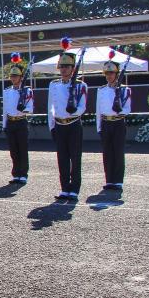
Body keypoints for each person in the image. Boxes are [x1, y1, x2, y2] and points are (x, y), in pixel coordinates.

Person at [48, 51, 87, 200]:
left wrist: (74, 112)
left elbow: (83, 106)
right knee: (62, 159)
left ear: (72, 68)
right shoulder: (54, 84)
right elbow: (50, 107)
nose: (63, 69)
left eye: (67, 66)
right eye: (61, 66)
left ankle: (74, 189)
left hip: (73, 124)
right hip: (59, 125)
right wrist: (51, 126)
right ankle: (65, 188)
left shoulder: (80, 85)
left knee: (75, 159)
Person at [96, 54, 131, 191]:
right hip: (105, 123)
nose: (109, 76)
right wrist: (99, 127)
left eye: (112, 73)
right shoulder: (101, 90)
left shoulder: (124, 90)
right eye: (107, 73)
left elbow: (128, 109)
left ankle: (118, 181)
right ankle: (109, 180)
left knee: (118, 152)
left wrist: (119, 110)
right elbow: (99, 110)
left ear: (117, 74)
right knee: (107, 153)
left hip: (118, 123)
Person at [2, 55, 33, 184]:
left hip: (20, 121)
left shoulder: (26, 90)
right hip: (10, 122)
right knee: (13, 150)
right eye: (12, 76)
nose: (13, 78)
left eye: (16, 76)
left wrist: (22, 108)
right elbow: (5, 110)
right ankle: (16, 173)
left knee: (22, 149)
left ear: (21, 77)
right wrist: (4, 125)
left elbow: (30, 109)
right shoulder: (7, 91)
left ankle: (23, 174)